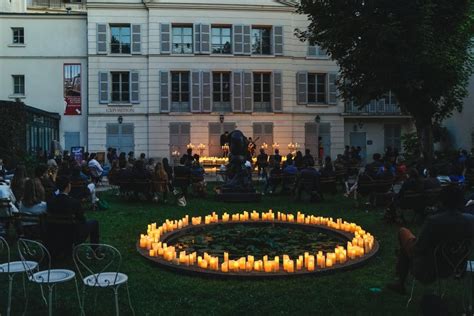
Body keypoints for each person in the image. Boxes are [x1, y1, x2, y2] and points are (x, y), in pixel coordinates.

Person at [387, 185, 474, 294]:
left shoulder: (434, 221)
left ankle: (400, 283)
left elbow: (418, 249)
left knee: (403, 232)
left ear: (442, 201)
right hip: (457, 267)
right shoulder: (471, 221)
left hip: (429, 268)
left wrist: (409, 244)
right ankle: (400, 280)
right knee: (407, 245)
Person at [46, 176, 100, 257]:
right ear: (68, 186)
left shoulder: (50, 202)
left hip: (55, 232)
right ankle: (95, 251)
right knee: (94, 223)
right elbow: (82, 220)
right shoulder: (74, 202)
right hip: (73, 234)